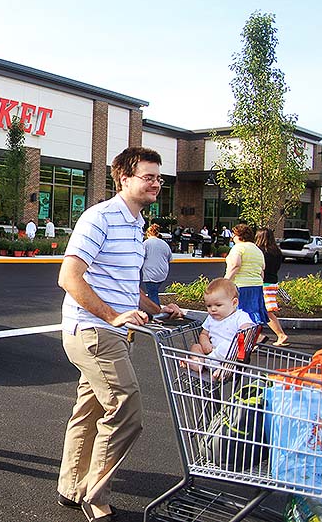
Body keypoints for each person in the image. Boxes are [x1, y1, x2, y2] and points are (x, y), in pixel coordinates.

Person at [56, 146, 182, 521]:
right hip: (93, 331)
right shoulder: (100, 218)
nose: (157, 183)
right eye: (149, 176)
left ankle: (71, 486)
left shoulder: (135, 225)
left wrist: (162, 310)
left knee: (90, 408)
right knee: (127, 409)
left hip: (109, 332)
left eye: (159, 178)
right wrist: (111, 316)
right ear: (124, 178)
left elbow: (129, 288)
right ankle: (94, 497)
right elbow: (69, 278)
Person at [185, 278, 254, 372]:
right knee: (196, 347)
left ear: (234, 303)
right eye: (209, 306)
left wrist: (246, 330)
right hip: (211, 353)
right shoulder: (211, 318)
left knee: (228, 347)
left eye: (218, 305)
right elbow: (204, 334)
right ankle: (197, 363)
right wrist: (205, 343)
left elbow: (247, 330)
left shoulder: (240, 316)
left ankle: (221, 370)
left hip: (228, 355)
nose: (213, 309)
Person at [224, 224, 268, 328]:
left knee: (240, 315)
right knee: (252, 315)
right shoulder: (258, 250)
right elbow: (262, 270)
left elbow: (235, 265)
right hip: (256, 286)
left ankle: (245, 340)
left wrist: (224, 282)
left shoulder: (238, 248)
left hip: (241, 286)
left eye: (233, 235)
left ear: (238, 235)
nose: (232, 238)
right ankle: (253, 338)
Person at [255, 228, 289, 346]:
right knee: (261, 311)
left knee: (265, 311)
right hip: (273, 282)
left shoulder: (259, 252)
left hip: (262, 283)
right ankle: (256, 336)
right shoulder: (276, 251)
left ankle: (280, 334)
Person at [142, 224, 172, 306]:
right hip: (162, 273)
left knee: (152, 294)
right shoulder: (165, 244)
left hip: (150, 273)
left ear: (148, 234)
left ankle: (156, 312)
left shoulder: (146, 243)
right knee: (154, 291)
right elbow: (169, 258)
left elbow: (140, 257)